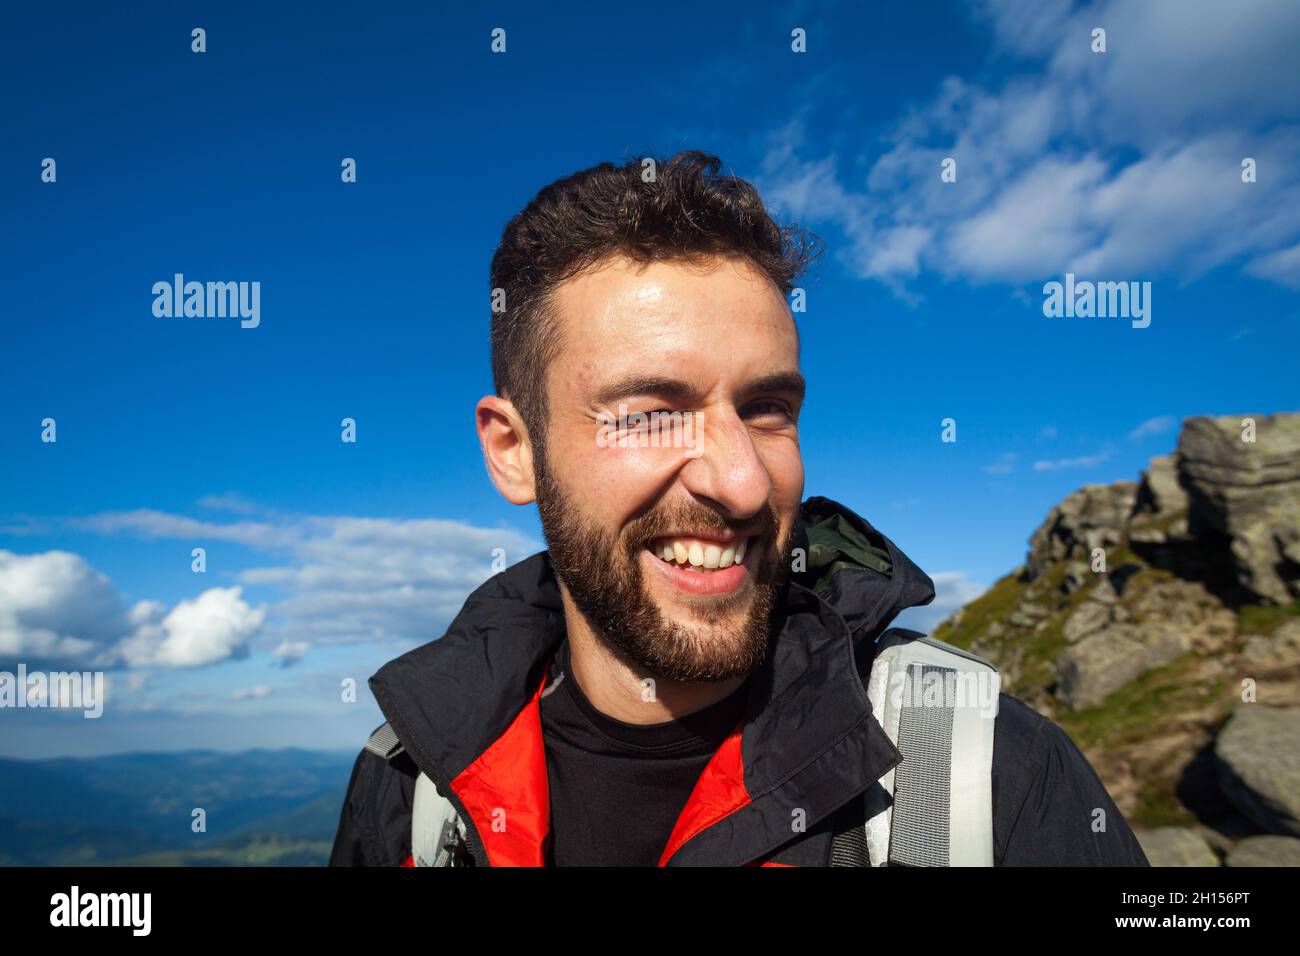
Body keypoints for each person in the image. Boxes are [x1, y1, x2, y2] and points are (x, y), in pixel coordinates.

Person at [329, 151, 1149, 867]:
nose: (745, 483)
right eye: (653, 410)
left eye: (766, 408)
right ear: (515, 451)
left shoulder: (983, 773)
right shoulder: (411, 784)